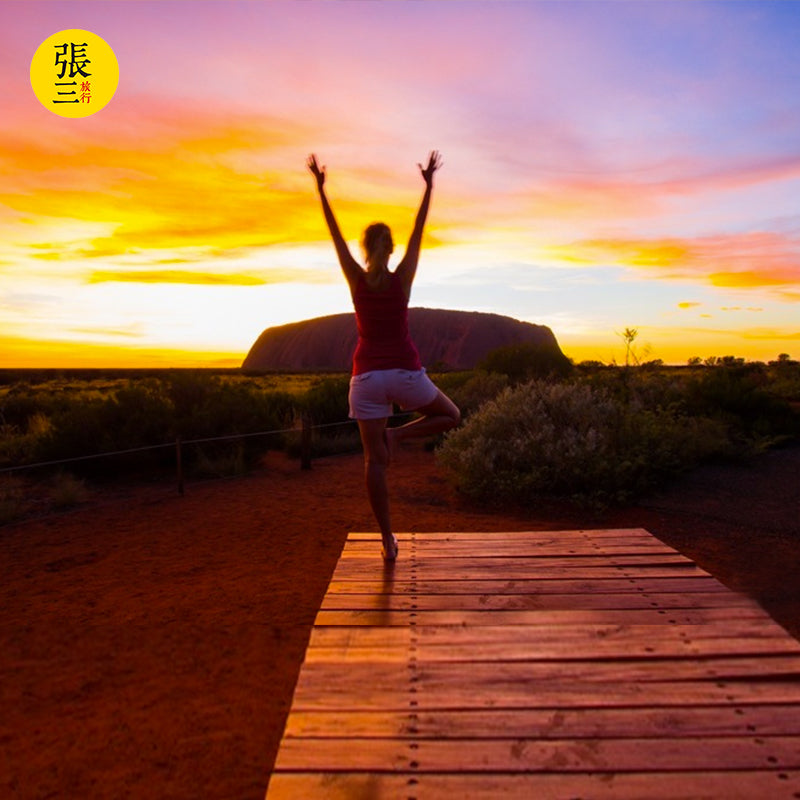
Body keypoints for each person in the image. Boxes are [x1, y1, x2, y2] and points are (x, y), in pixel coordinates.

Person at [307, 151, 461, 561]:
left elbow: (334, 235)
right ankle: (400, 435)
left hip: (367, 380)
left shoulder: (355, 279)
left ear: (363, 249)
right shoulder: (403, 277)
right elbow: (419, 231)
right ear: (391, 250)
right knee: (451, 415)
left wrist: (320, 189)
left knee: (374, 463)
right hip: (407, 375)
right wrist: (428, 187)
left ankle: (387, 540)